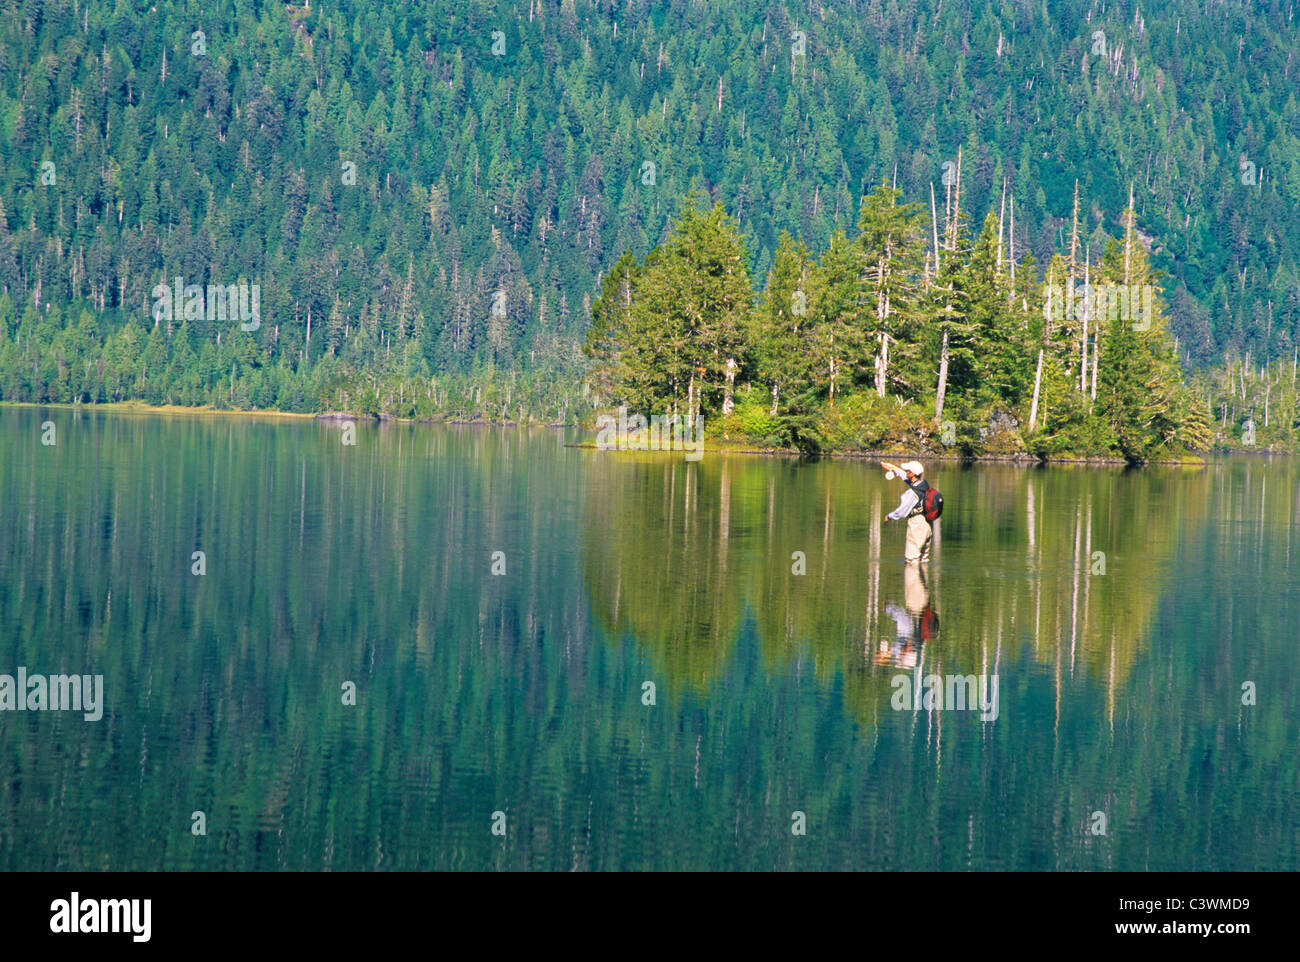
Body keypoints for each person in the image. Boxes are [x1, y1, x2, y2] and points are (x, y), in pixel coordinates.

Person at [881, 459, 933, 564]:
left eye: (908, 471)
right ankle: (923, 580)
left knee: (911, 561)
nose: (906, 472)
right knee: (923, 560)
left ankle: (913, 579)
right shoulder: (924, 484)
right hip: (928, 524)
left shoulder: (912, 493)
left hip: (916, 525)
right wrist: (894, 468)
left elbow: (902, 511)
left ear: (912, 473)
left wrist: (889, 516)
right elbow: (907, 479)